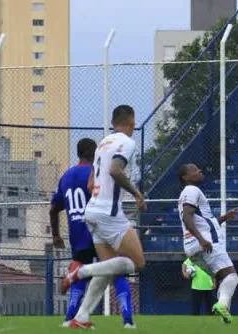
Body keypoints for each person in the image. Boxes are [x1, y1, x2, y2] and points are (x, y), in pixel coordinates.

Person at [62, 105, 146, 329]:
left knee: (108, 268)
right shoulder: (127, 143)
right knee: (138, 263)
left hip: (93, 210)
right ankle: (81, 271)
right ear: (131, 123)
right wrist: (136, 192)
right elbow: (115, 171)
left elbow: (91, 184)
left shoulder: (102, 143)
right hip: (109, 212)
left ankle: (81, 316)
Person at [50, 138, 135, 328]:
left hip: (77, 231)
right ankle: (128, 319)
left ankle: (70, 317)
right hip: (98, 227)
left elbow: (53, 208)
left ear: (78, 153)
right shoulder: (95, 172)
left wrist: (56, 235)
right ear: (94, 152)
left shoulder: (66, 176)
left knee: (81, 271)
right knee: (116, 270)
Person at [178, 163, 238, 323]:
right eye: (194, 170)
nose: (200, 170)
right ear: (186, 177)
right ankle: (222, 305)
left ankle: (223, 318)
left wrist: (224, 218)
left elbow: (203, 222)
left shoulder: (187, 193)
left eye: (199, 168)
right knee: (232, 277)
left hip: (192, 247)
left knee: (223, 279)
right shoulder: (192, 190)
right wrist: (201, 239)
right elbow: (187, 216)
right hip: (207, 243)